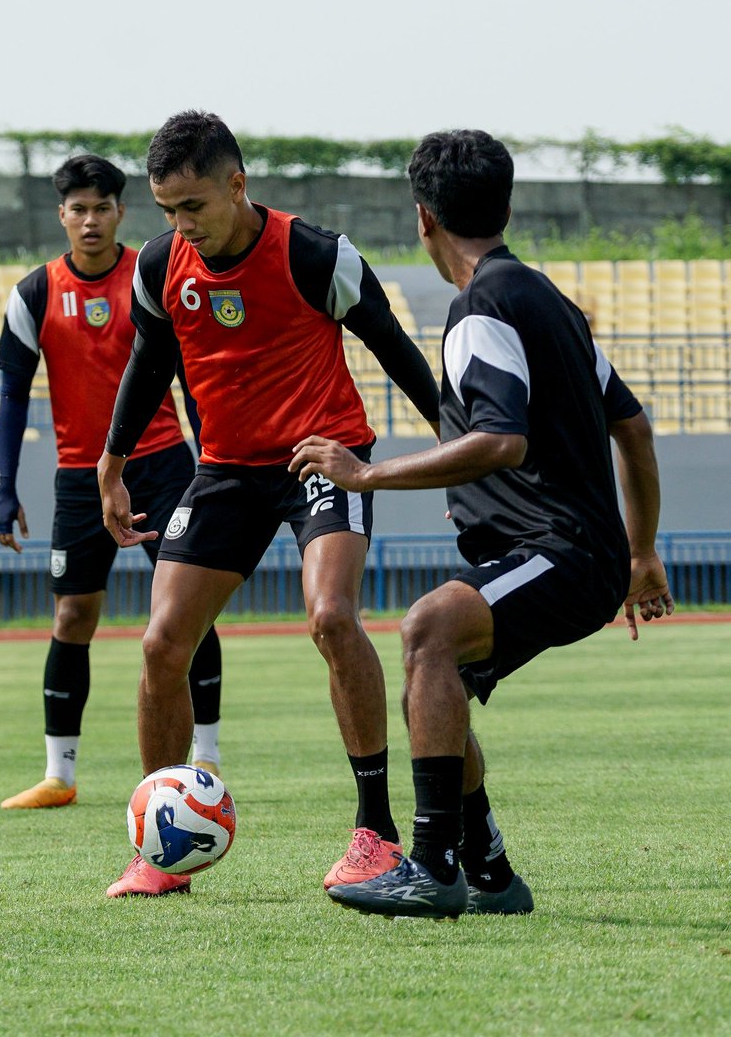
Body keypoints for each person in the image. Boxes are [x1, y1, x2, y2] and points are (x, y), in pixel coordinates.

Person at [289, 129, 674, 919]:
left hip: (559, 552)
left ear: (422, 218)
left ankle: (431, 865)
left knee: (426, 628)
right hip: (579, 550)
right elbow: (630, 427)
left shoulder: (482, 307)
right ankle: (491, 870)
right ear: (506, 206)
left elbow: (501, 440)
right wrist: (642, 551)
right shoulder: (547, 302)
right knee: (441, 678)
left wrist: (366, 474)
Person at [97, 110, 441, 898]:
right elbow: (151, 360)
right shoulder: (159, 266)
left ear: (237, 184)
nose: (182, 226)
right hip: (225, 470)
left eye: (194, 207)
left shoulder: (318, 256)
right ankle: (160, 847)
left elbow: (400, 356)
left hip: (322, 459)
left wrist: (458, 462)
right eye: (168, 212)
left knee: (331, 617)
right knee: (159, 645)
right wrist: (110, 465)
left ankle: (376, 833)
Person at [0, 153, 223, 829]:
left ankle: (203, 760)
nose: (89, 221)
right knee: (72, 619)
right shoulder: (36, 292)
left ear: (121, 212)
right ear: (62, 215)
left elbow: (189, 372)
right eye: (77, 209)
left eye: (102, 208)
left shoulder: (151, 275)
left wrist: (211, 455)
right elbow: (11, 394)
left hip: (161, 465)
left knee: (184, 611)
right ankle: (58, 774)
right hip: (76, 477)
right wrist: (4, 488)